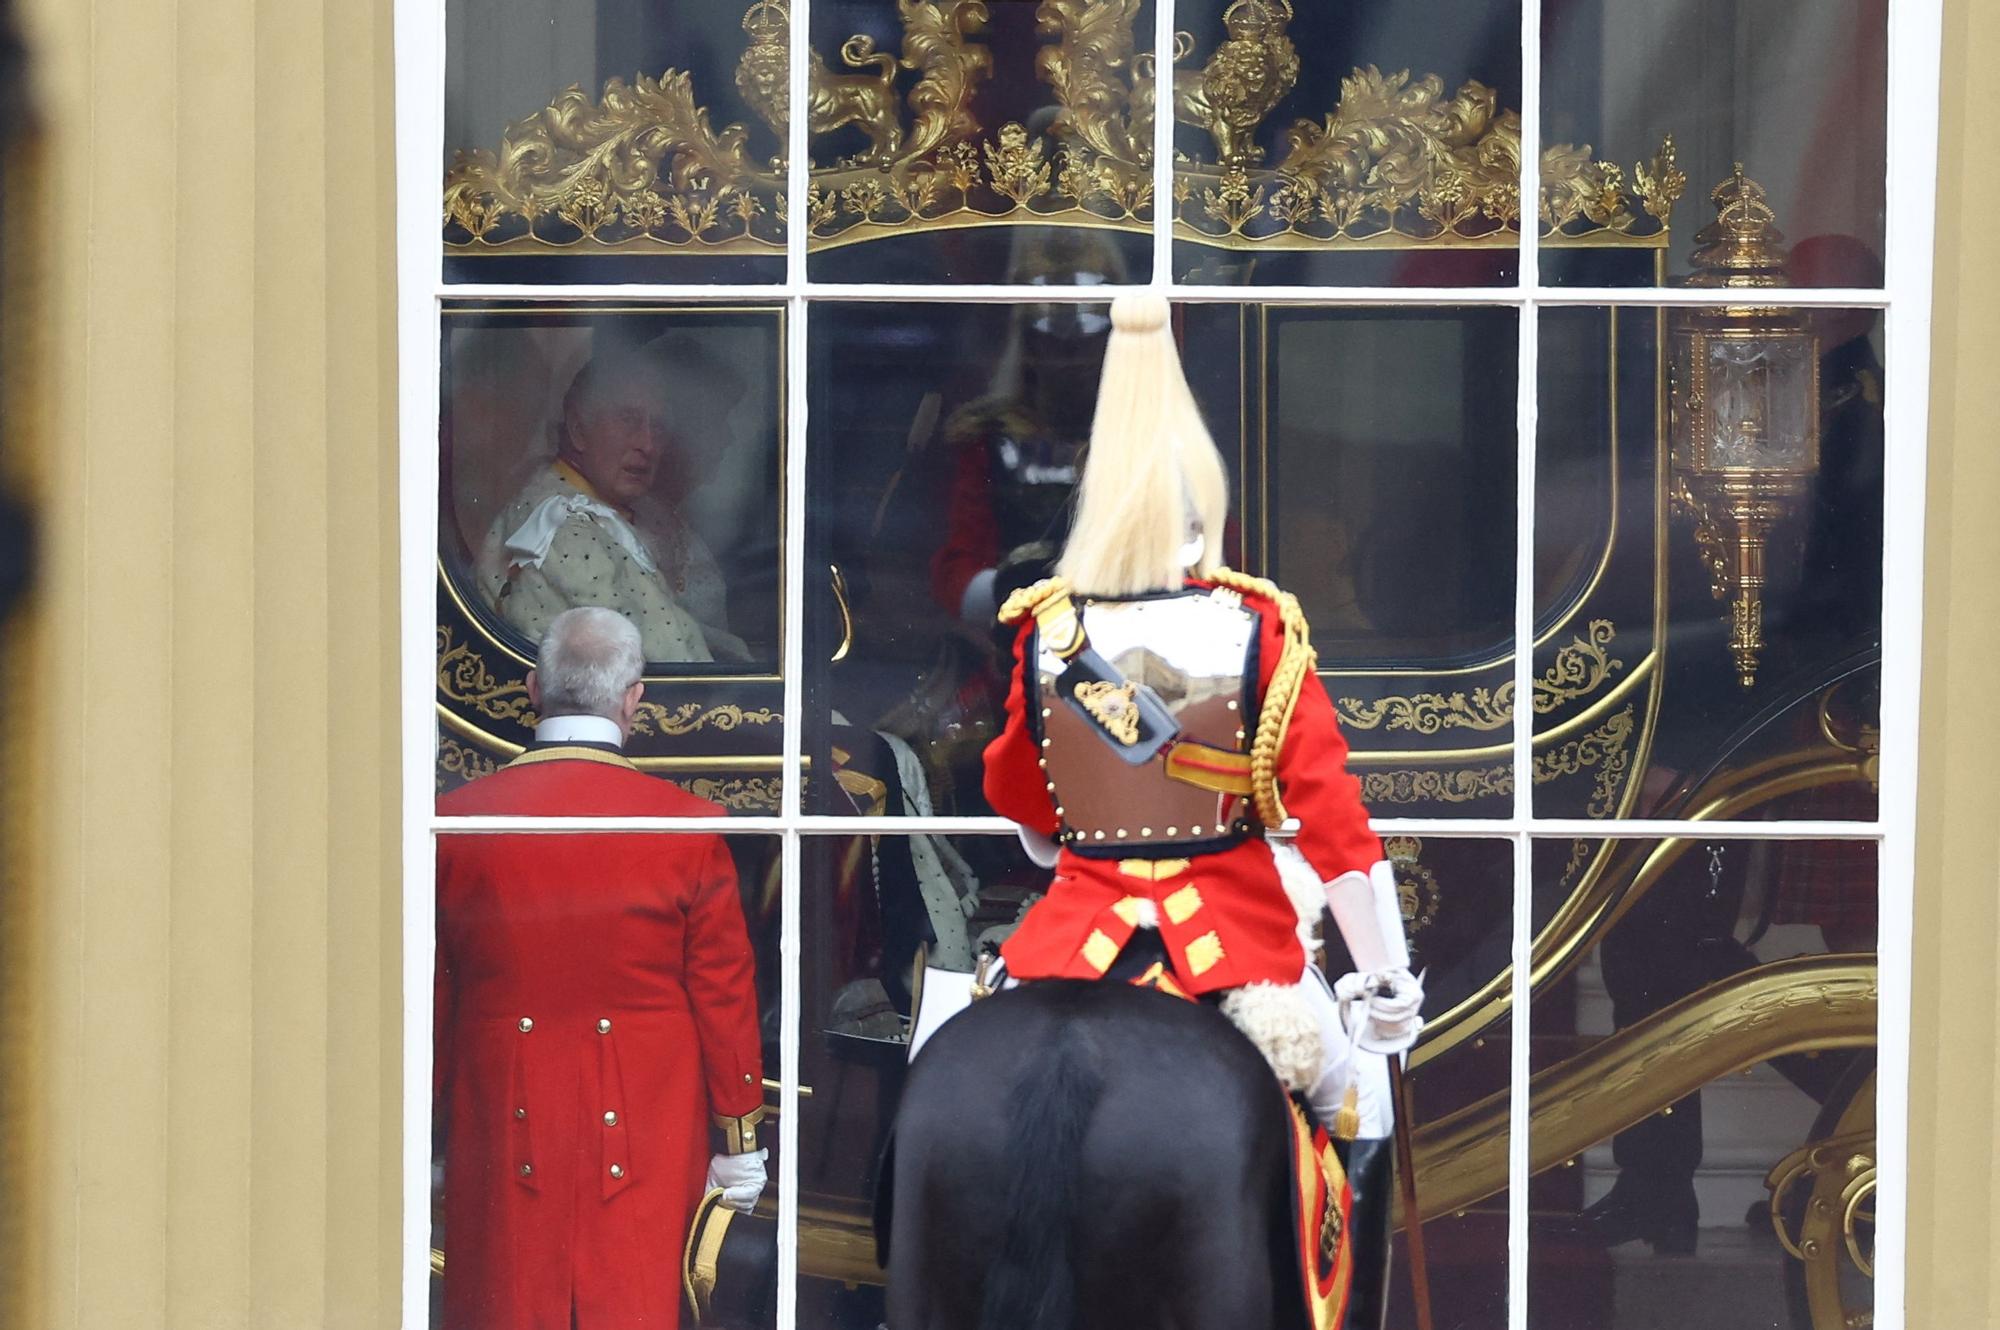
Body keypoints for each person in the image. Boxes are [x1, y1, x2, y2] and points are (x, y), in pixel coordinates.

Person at [977, 293, 1423, 1141]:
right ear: (1199, 513)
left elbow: (1017, 791)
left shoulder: (1048, 629)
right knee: (1359, 1108)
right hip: (1236, 945)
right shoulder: (1257, 626)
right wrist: (1385, 979)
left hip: (1074, 941)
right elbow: (1332, 821)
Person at [433, 607, 767, 1330]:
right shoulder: (687, 829)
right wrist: (740, 1139)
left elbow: (432, 998)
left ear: (531, 689)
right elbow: (724, 997)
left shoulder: (454, 823)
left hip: (499, 1125)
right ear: (633, 699)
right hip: (648, 1128)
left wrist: (424, 1129)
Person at [478, 348, 749, 664]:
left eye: (658, 427)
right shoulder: (561, 528)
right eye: (628, 419)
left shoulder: (627, 512)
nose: (647, 444)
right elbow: (665, 665)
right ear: (579, 430)